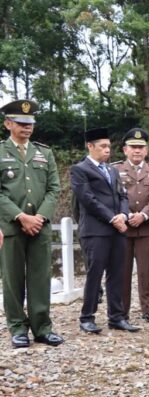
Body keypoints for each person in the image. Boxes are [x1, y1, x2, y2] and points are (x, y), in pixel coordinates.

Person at [0, 99, 63, 348]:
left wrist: (39, 217)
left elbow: (54, 189)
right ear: (8, 124)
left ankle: (42, 328)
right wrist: (20, 216)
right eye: (21, 123)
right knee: (12, 279)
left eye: (30, 123)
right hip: (11, 226)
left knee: (40, 277)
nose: (27, 127)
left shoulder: (44, 153)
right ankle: (17, 328)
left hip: (40, 226)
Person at [71, 127, 141, 333]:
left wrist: (123, 215)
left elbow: (123, 195)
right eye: (102, 146)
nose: (107, 150)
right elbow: (88, 200)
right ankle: (87, 317)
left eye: (109, 146)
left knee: (117, 274)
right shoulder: (80, 170)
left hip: (117, 229)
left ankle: (116, 317)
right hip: (95, 231)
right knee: (95, 274)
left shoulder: (112, 170)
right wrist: (112, 218)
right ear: (90, 146)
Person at [113, 128, 149, 323]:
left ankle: (148, 308)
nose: (137, 150)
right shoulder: (115, 170)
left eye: (141, 147)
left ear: (146, 150)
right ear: (125, 149)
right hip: (123, 229)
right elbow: (113, 195)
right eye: (133, 147)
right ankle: (121, 310)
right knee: (122, 271)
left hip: (145, 229)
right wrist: (126, 215)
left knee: (146, 272)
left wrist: (143, 215)